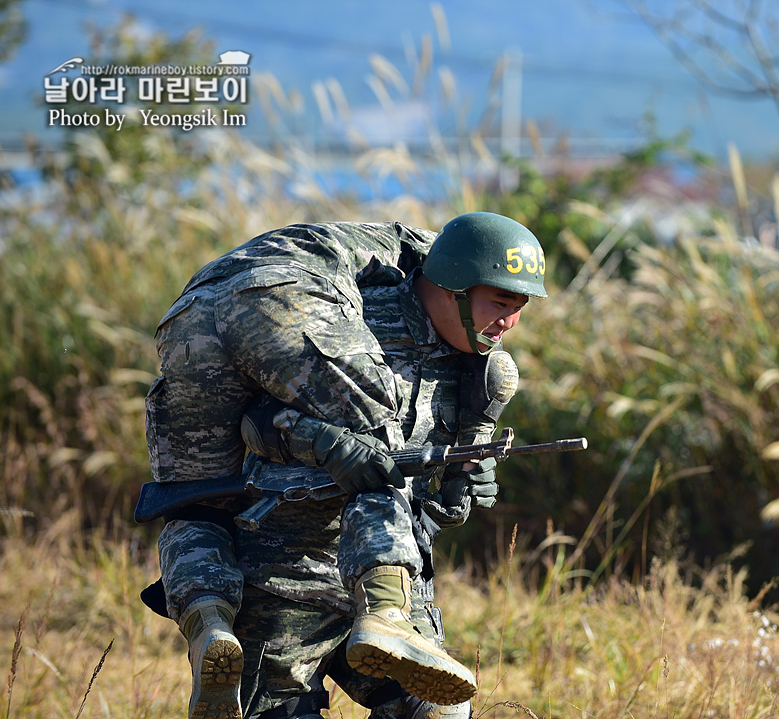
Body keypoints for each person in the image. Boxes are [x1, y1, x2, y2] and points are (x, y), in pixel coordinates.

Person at [143, 213, 547, 719]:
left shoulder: (482, 371)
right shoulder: (346, 321)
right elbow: (249, 421)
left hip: (391, 591)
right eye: (500, 303)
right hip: (283, 580)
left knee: (440, 713)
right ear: (450, 288)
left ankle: (219, 617)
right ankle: (216, 620)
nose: (508, 322)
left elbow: (434, 496)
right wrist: (330, 442)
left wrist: (462, 485)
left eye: (520, 307)